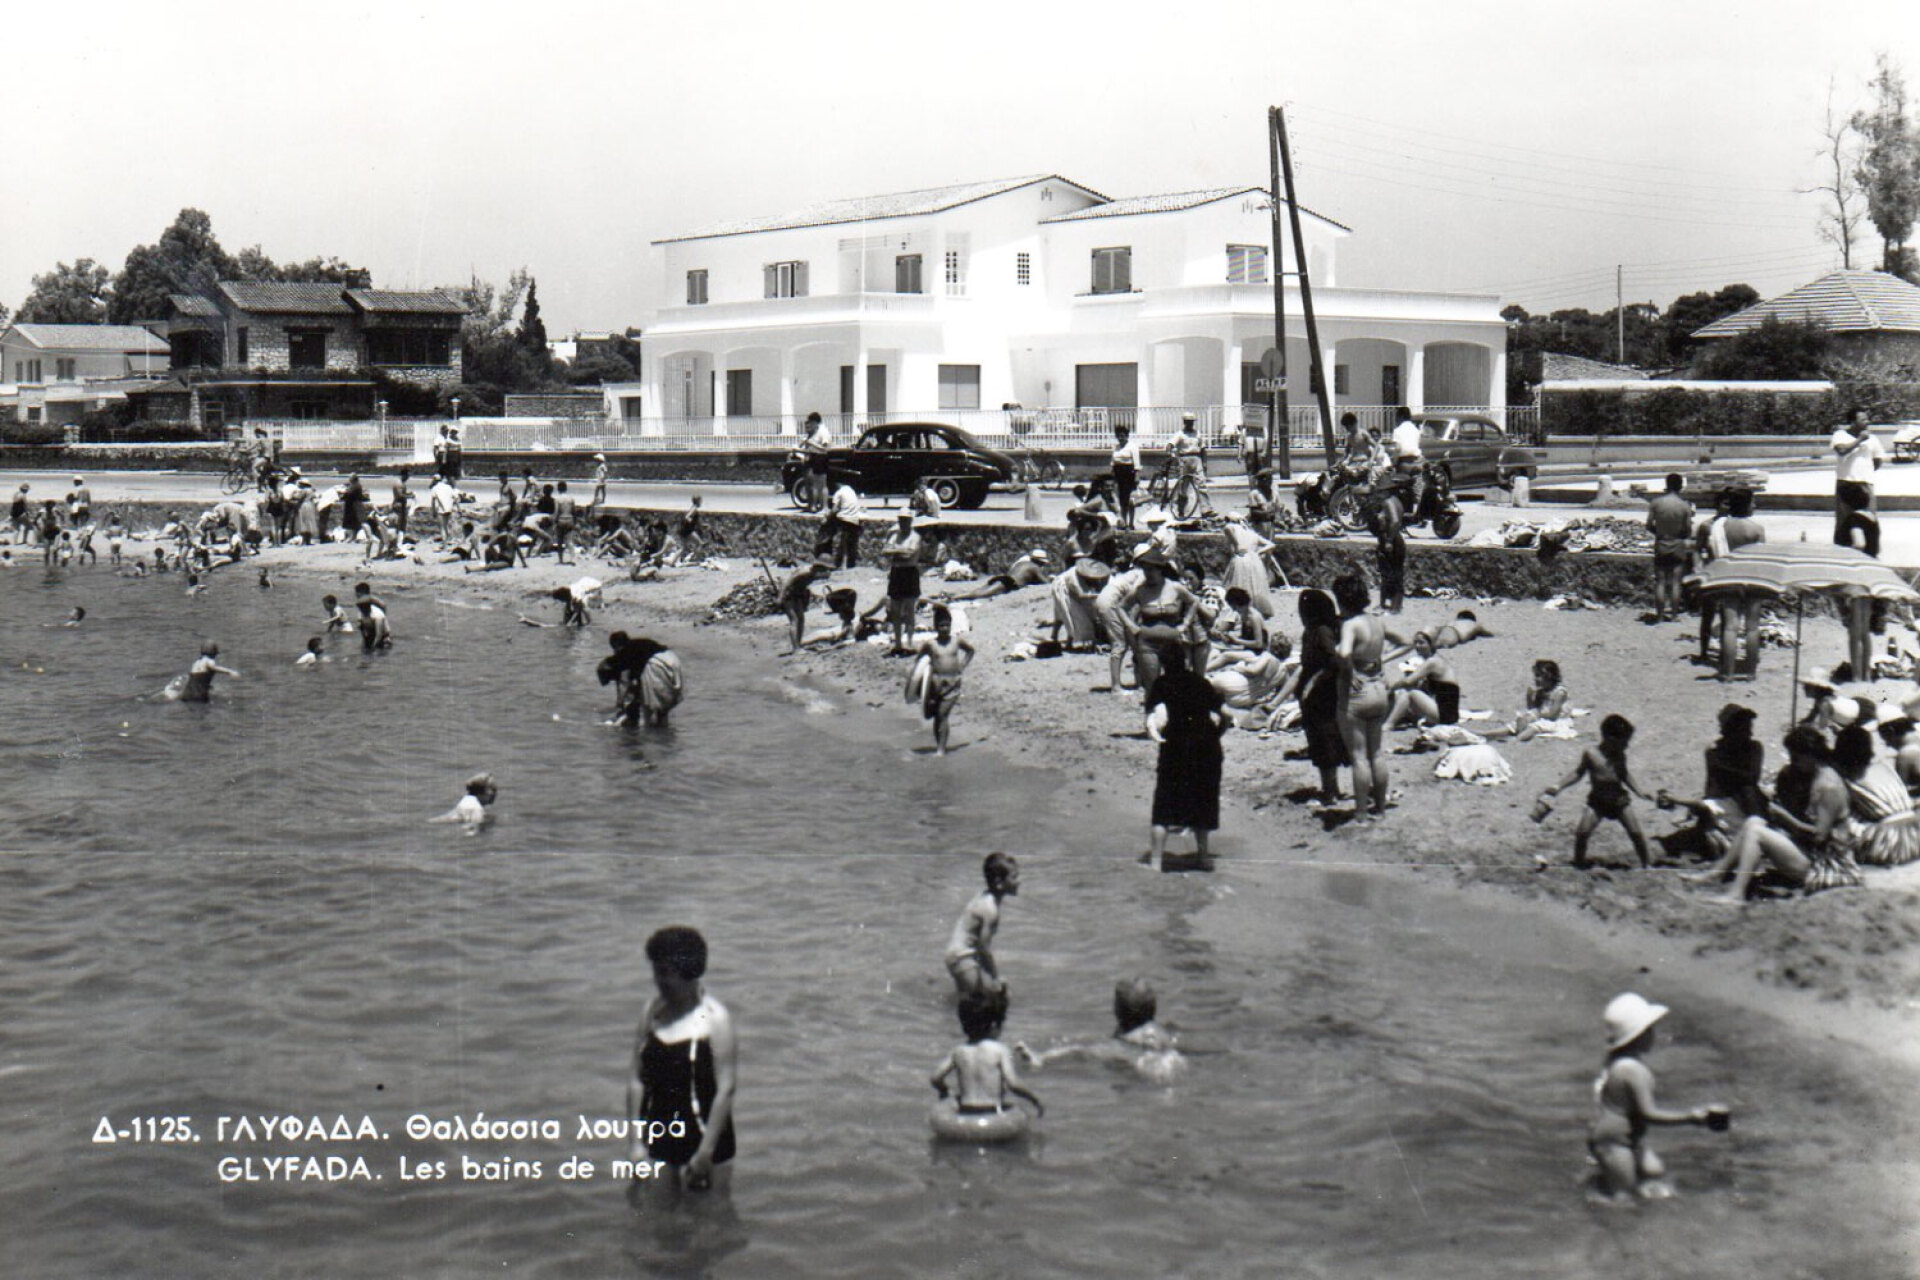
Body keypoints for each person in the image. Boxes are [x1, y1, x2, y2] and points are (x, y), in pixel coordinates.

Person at [1689, 726, 1861, 904]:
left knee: (1757, 833)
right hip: (1813, 854)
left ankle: (1736, 894)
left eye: (1796, 757)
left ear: (1811, 755)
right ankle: (1716, 873)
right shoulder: (1815, 777)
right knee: (1754, 822)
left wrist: (1784, 817)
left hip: (1828, 866)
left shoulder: (1828, 786)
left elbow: (1819, 836)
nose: (1793, 762)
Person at [1588, 993, 1730, 1201]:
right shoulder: (1632, 1070)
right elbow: (1649, 1114)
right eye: (1649, 1030)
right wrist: (1690, 1118)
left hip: (1623, 1137)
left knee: (1654, 1172)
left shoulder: (1618, 1061)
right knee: (1623, 1197)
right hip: (1615, 1141)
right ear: (1638, 1035)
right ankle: (1601, 1198)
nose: (1653, 1034)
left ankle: (1600, 1180)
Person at [627, 926, 737, 1191]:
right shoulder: (652, 1013)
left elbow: (726, 1089)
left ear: (689, 972)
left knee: (711, 1224)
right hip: (660, 1136)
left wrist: (704, 1155)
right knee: (658, 1222)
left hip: (706, 1142)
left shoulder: (715, 1019)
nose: (658, 980)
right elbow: (635, 1081)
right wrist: (634, 1143)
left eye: (665, 973)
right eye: (655, 971)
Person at [1145, 647, 1229, 868]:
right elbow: (1226, 714)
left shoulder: (1161, 684)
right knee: (1204, 801)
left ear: (1163, 664)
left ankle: (1155, 863)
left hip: (1176, 747)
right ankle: (1203, 857)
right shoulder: (1201, 682)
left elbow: (1153, 720)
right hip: (1207, 746)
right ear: (1186, 661)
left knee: (1164, 805)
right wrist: (1219, 732)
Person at [1016, 979, 1185, 1083]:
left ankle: (1039, 1059)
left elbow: (1078, 1050)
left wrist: (1043, 1057)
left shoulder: (1121, 1041)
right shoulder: (1163, 1031)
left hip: (1140, 1064)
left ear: (1119, 1013)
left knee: (1083, 1049)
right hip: (1169, 1060)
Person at [1541, 714, 1655, 869]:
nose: (1626, 746)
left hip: (1619, 800)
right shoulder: (1591, 754)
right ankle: (1579, 863)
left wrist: (1639, 791)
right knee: (1582, 833)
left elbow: (1624, 775)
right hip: (1597, 802)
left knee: (1635, 833)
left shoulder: (1620, 755)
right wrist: (1559, 786)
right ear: (1609, 738)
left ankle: (1646, 864)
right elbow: (1578, 773)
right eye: (1623, 742)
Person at [1334, 573, 1401, 820]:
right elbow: (1405, 642)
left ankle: (1361, 813)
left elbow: (1344, 654)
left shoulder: (1350, 625)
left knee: (1359, 757)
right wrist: (1380, 662)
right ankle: (1381, 809)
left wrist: (1350, 671)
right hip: (1378, 688)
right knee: (1377, 754)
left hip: (1357, 693)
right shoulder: (1377, 621)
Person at [930, 989, 1043, 1121]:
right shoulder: (1000, 1050)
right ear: (995, 1025)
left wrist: (944, 1091)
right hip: (993, 1113)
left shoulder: (958, 1051)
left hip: (965, 1113)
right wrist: (1034, 1099)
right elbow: (1013, 1084)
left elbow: (935, 1078)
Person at [1291, 588, 1350, 805]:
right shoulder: (1315, 630)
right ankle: (1331, 789)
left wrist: (1313, 683)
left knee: (1325, 743)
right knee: (1322, 743)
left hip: (1322, 696)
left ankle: (1330, 791)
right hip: (1314, 696)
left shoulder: (1322, 631)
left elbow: (1333, 662)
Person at [1832, 724, 1920, 866]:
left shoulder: (1851, 777)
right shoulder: (1883, 766)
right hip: (1915, 828)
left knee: (1846, 818)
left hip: (1892, 842)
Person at [1119, 550, 1198, 703]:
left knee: (1176, 682)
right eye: (1145, 569)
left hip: (1173, 643)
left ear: (1160, 569)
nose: (1148, 573)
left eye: (1151, 569)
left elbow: (1193, 602)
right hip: (1148, 644)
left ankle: (1173, 721)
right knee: (1152, 684)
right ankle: (1151, 722)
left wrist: (1185, 624)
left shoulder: (1175, 588)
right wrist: (1131, 626)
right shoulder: (1140, 590)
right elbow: (1121, 607)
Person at [1708, 487, 1768, 679]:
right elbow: (1762, 558)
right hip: (1751, 578)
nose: (1755, 505)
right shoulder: (1756, 529)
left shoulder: (1721, 526)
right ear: (1746, 504)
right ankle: (1750, 671)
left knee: (1730, 627)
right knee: (1752, 627)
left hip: (1729, 577)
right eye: (1752, 502)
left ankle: (1727, 672)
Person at [944, 852, 1018, 998]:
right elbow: (983, 948)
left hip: (956, 955)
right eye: (1014, 877)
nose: (1019, 881)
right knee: (980, 999)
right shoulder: (990, 909)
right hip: (962, 957)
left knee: (969, 997)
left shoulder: (984, 896)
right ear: (999, 882)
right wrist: (995, 978)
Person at [915, 605, 974, 754]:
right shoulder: (931, 644)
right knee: (936, 717)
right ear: (935, 627)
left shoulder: (956, 641)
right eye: (941, 625)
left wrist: (962, 665)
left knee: (942, 715)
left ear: (951, 625)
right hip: (935, 685)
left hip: (953, 684)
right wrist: (919, 678)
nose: (944, 628)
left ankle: (941, 750)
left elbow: (970, 651)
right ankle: (940, 746)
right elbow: (919, 660)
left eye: (947, 625)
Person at [1382, 631, 1461, 731]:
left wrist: (1391, 689)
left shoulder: (1433, 662)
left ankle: (1388, 725)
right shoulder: (1434, 660)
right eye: (1415, 642)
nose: (1417, 646)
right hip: (1447, 714)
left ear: (1431, 644)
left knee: (1410, 693)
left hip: (1445, 716)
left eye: (1421, 643)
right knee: (1405, 695)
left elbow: (1408, 682)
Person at [1644, 473, 1695, 622]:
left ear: (1666, 484)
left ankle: (1659, 615)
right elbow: (1688, 530)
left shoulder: (1656, 503)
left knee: (1660, 581)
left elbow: (1648, 525)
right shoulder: (1685, 505)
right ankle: (1673, 615)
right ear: (1681, 486)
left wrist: (1659, 533)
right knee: (1675, 582)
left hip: (1661, 543)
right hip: (1677, 544)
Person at [1832, 408, 1883, 553]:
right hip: (1846, 482)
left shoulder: (1873, 439)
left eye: (1867, 419)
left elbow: (1878, 460)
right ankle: (1844, 551)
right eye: (1863, 420)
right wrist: (1860, 440)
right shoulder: (1840, 435)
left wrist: (1866, 473)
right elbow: (1841, 450)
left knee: (1868, 519)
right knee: (1845, 520)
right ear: (1852, 422)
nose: (1867, 422)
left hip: (1865, 484)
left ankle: (1870, 552)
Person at [880, 510, 923, 654]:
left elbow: (908, 555)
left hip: (909, 573)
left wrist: (895, 552)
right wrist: (900, 552)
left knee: (910, 611)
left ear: (911, 520)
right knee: (895, 611)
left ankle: (909, 643)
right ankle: (898, 643)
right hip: (897, 573)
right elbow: (885, 551)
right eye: (901, 519)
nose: (903, 522)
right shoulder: (894, 536)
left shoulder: (915, 537)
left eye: (906, 519)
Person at [1220, 511, 1276, 619]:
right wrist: (1258, 552)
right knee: (1253, 583)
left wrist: (1236, 546)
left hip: (1241, 557)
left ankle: (1237, 607)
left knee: (1239, 583)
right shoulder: (1252, 534)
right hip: (1254, 559)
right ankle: (1254, 606)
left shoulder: (1231, 527)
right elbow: (1271, 545)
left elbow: (1227, 529)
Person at [1045, 556, 1109, 649]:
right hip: (1062, 588)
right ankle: (1065, 639)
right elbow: (1081, 595)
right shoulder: (1073, 577)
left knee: (1061, 612)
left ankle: (1058, 638)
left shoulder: (1094, 578)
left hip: (1074, 590)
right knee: (1070, 612)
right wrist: (1098, 596)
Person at [951, 548, 1052, 600]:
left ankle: (954, 596)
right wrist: (1052, 579)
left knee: (978, 590)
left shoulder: (1022, 562)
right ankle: (955, 597)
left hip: (1003, 577)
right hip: (1009, 582)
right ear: (1039, 561)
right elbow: (1045, 582)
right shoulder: (1035, 567)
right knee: (981, 595)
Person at [780, 561, 833, 652]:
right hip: (788, 596)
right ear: (819, 569)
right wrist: (780, 597)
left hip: (797, 595)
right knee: (794, 620)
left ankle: (799, 645)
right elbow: (787, 583)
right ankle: (795, 648)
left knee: (801, 619)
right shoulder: (804, 572)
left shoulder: (813, 574)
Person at [815, 480, 864, 569]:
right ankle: (846, 563)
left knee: (830, 525)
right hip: (854, 520)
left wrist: (826, 517)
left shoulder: (838, 493)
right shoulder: (851, 491)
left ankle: (826, 550)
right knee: (846, 541)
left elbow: (835, 509)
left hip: (844, 519)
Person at [1168, 413, 1212, 513]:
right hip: (1184, 459)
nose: (1190, 424)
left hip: (1197, 459)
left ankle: (1206, 510)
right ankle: (1181, 509)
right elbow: (1170, 445)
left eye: (1191, 422)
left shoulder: (1197, 433)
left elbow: (1203, 448)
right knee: (1183, 486)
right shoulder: (1180, 434)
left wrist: (1204, 463)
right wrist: (1171, 454)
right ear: (1184, 422)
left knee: (1201, 484)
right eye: (1188, 422)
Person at [431, 773, 497, 828]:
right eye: (493, 791)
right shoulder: (475, 810)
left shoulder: (465, 803)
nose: (494, 795)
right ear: (481, 792)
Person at [1877, 716, 1920, 797]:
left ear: (1891, 731)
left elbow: (1900, 792)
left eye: (1887, 739)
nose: (1888, 744)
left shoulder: (1906, 753)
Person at [1110, 423, 1141, 529]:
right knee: (1121, 500)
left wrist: (1137, 476)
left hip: (1129, 474)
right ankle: (1123, 522)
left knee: (1131, 500)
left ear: (1127, 436)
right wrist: (1112, 475)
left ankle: (1131, 523)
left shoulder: (1132, 447)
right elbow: (1113, 462)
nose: (1120, 438)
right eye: (1118, 436)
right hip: (1118, 474)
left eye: (1122, 436)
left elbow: (1136, 464)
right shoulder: (1116, 447)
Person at [802, 410, 833, 509]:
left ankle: (824, 507)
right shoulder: (818, 431)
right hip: (815, 457)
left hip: (821, 457)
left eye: (811, 422)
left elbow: (825, 448)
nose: (810, 424)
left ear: (815, 422)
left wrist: (811, 444)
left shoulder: (823, 432)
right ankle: (814, 505)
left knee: (822, 484)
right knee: (815, 484)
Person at [552, 481, 578, 565]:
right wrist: (575, 521)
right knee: (570, 541)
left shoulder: (557, 499)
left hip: (561, 520)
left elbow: (557, 512)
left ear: (558, 489)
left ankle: (560, 560)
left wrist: (554, 522)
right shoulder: (571, 498)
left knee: (560, 541)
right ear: (566, 488)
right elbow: (574, 511)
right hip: (570, 519)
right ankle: (573, 559)